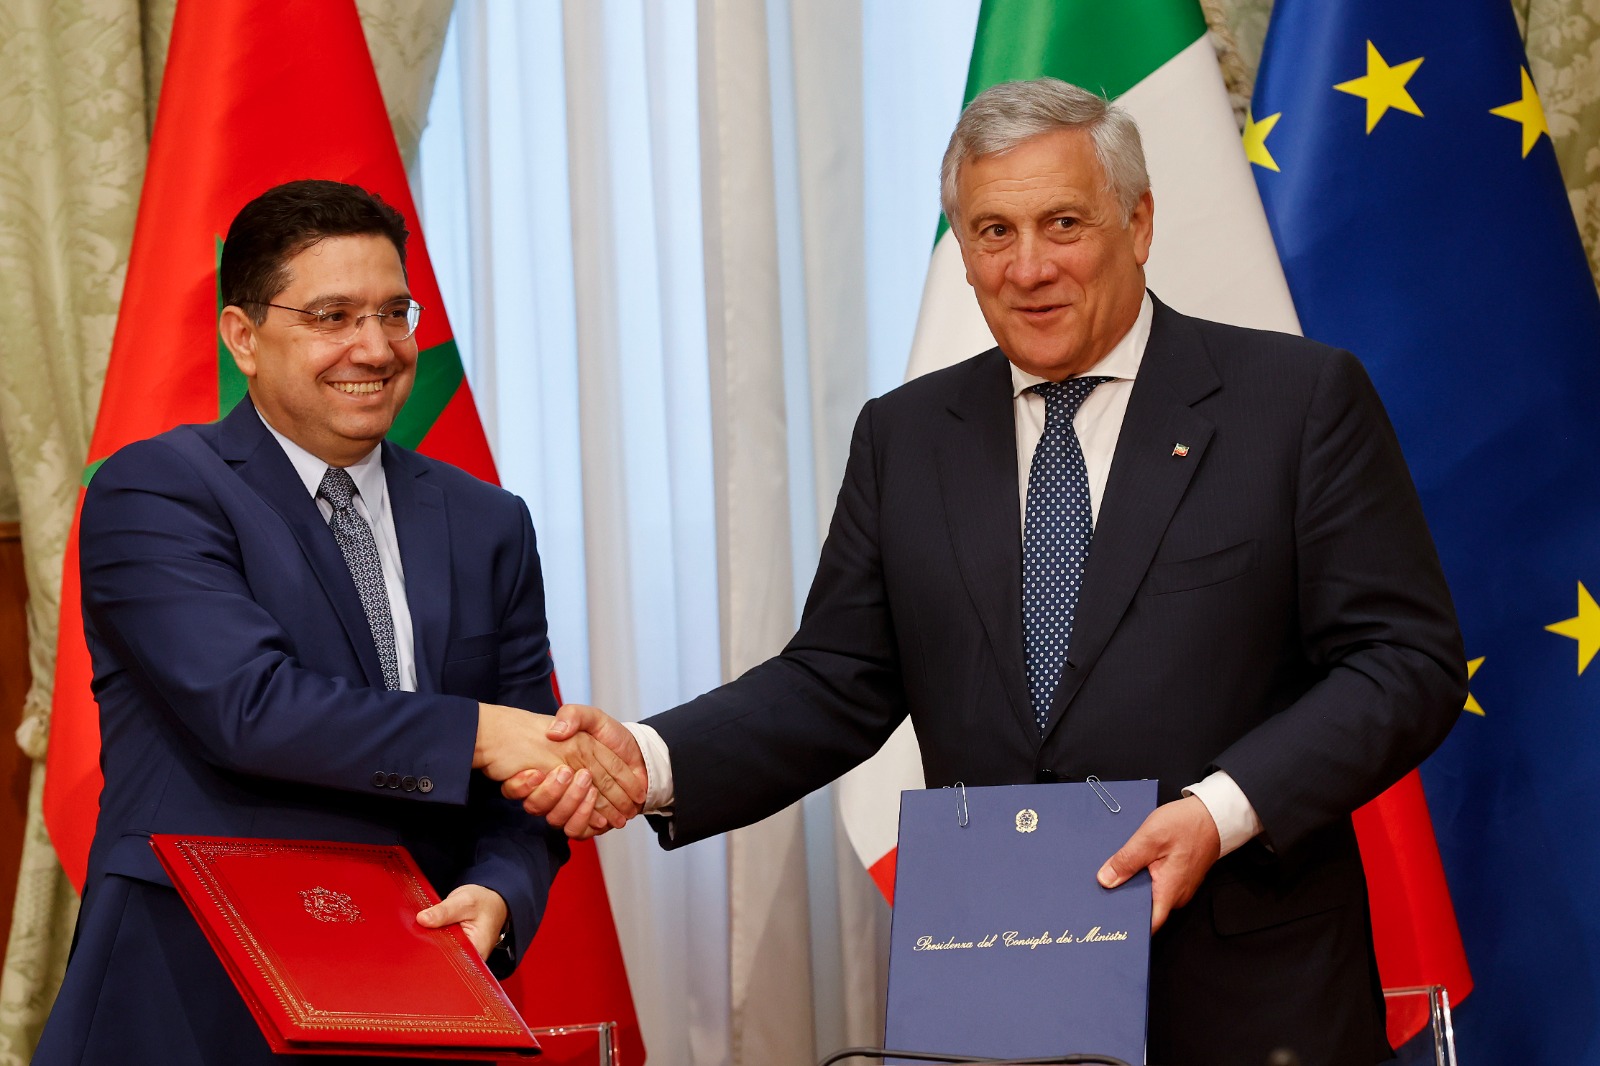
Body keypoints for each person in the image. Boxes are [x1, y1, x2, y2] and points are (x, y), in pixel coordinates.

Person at [516, 79, 1466, 1065]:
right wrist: (651, 759)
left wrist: (1216, 811)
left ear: (1138, 223)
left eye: (1063, 224)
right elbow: (835, 678)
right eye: (993, 232)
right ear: (962, 252)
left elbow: (1406, 662)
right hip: (1002, 994)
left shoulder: (1295, 402)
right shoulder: (906, 436)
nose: (1028, 267)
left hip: (1249, 994)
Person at [34, 180, 641, 1066]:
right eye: (333, 316)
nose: (376, 347)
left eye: (394, 313)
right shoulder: (156, 490)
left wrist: (499, 893)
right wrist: (482, 734)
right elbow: (249, 708)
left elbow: (530, 776)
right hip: (190, 995)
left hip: (414, 984)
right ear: (244, 337)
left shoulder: (489, 522)